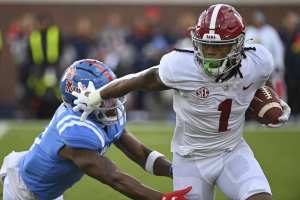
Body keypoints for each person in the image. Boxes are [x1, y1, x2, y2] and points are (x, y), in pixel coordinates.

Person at [73, 4, 291, 200]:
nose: (211, 53)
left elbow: (257, 83)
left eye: (220, 47)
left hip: (231, 151)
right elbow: (140, 79)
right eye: (206, 46)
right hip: (190, 159)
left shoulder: (258, 62)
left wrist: (273, 103)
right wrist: (99, 95)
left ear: (238, 46)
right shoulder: (181, 66)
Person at [0, 59, 191, 200]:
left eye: (112, 91)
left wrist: (175, 170)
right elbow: (113, 177)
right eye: (105, 95)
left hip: (49, 191)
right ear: (80, 102)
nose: (113, 99)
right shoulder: (73, 130)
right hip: (24, 192)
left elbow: (140, 154)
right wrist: (163, 198)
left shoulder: (99, 116)